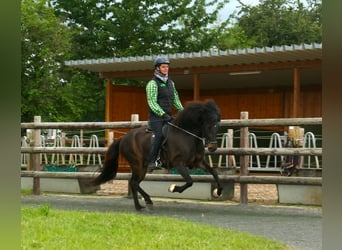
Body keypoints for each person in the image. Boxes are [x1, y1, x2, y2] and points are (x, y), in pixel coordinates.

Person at [146, 56, 183, 173]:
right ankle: (152, 161)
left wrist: (183, 112)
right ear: (157, 68)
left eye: (167, 66)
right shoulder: (152, 83)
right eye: (163, 67)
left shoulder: (171, 83)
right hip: (156, 118)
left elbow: (175, 99)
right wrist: (162, 114)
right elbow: (152, 102)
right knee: (160, 136)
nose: (166, 69)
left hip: (168, 116)